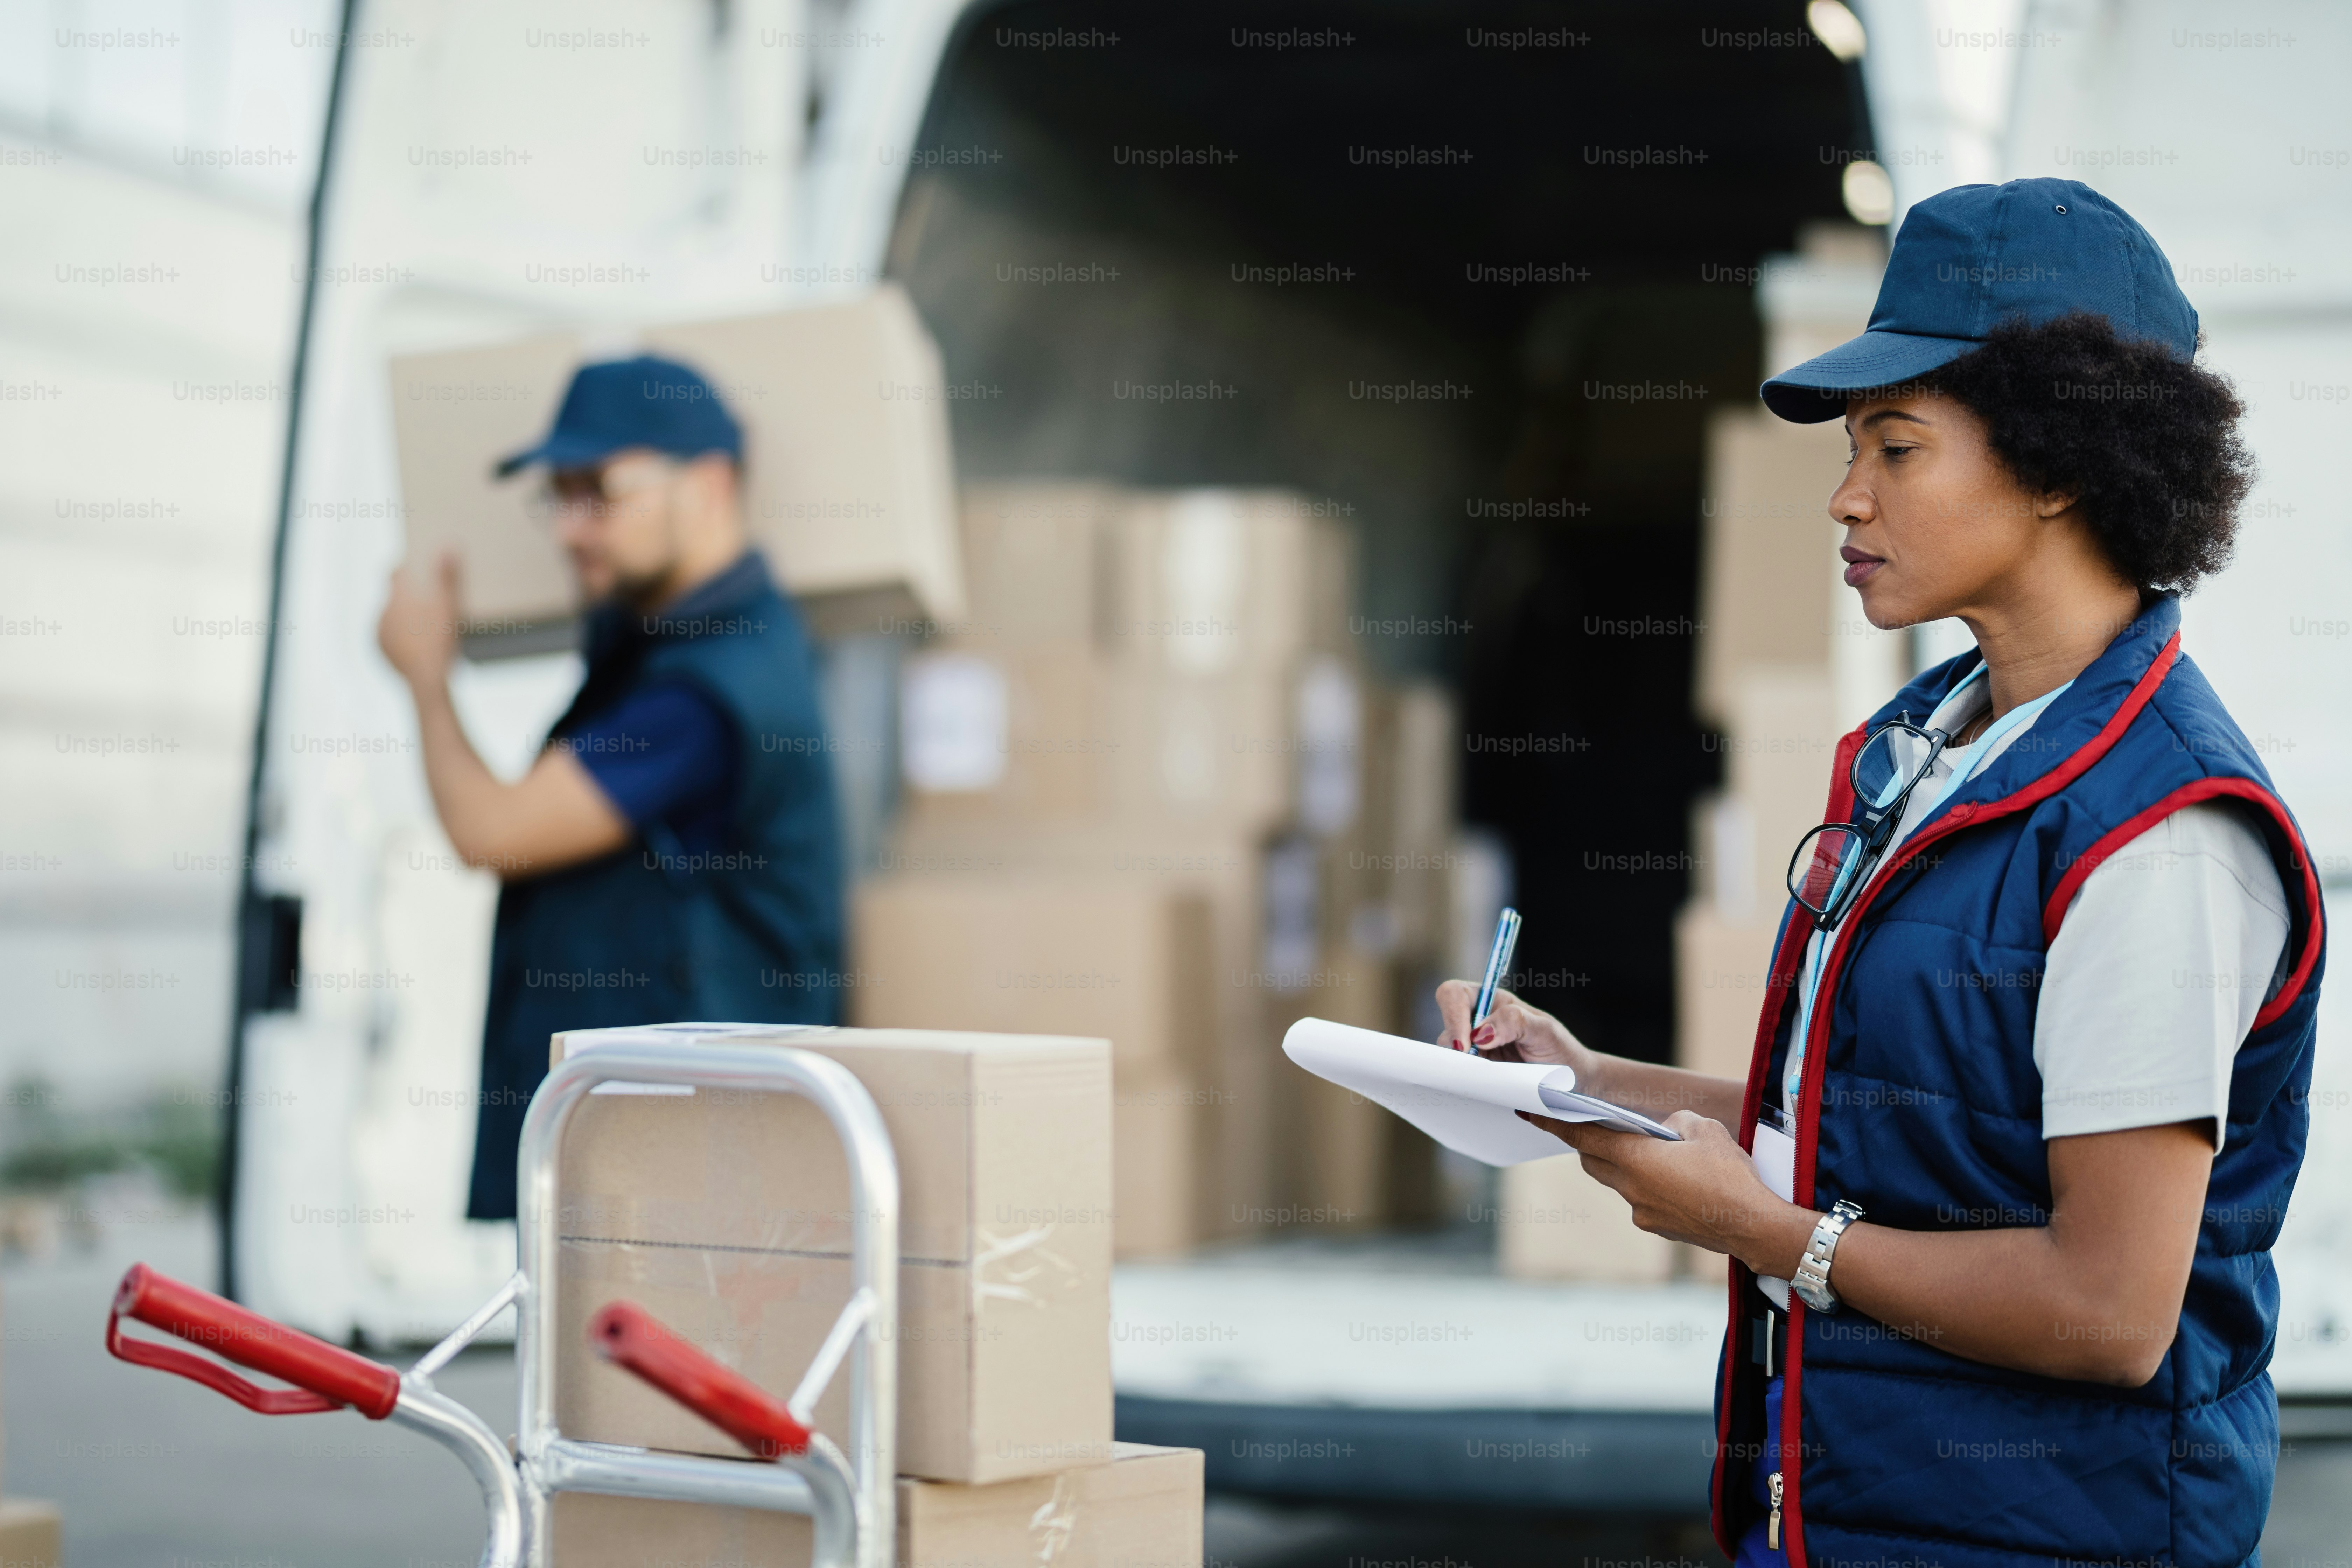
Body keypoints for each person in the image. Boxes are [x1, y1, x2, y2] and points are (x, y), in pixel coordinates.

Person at [1436, 178, 2322, 1568]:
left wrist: (1772, 1232)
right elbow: (1897, 1131)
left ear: (2060, 462)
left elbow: (2106, 1310)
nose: (1848, 496)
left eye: (1896, 447)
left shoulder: (2160, 833)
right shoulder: (1945, 743)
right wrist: (1588, 1081)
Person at [377, 356, 844, 1222]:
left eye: (601, 491)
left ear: (708, 486)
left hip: (684, 1171)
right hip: (659, 1148)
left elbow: (495, 831)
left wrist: (425, 673)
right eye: (559, 494)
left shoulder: (705, 690)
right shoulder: (682, 643)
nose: (569, 529)